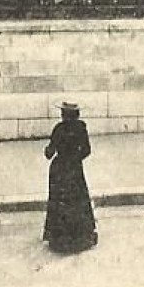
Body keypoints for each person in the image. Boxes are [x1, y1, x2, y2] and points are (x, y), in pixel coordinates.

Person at [42, 102, 98, 253]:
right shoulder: (81, 128)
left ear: (63, 114)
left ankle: (59, 237)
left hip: (59, 169)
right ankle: (79, 236)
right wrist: (75, 158)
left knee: (59, 200)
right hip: (74, 168)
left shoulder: (59, 129)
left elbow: (49, 153)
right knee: (77, 199)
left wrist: (49, 150)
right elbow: (87, 150)